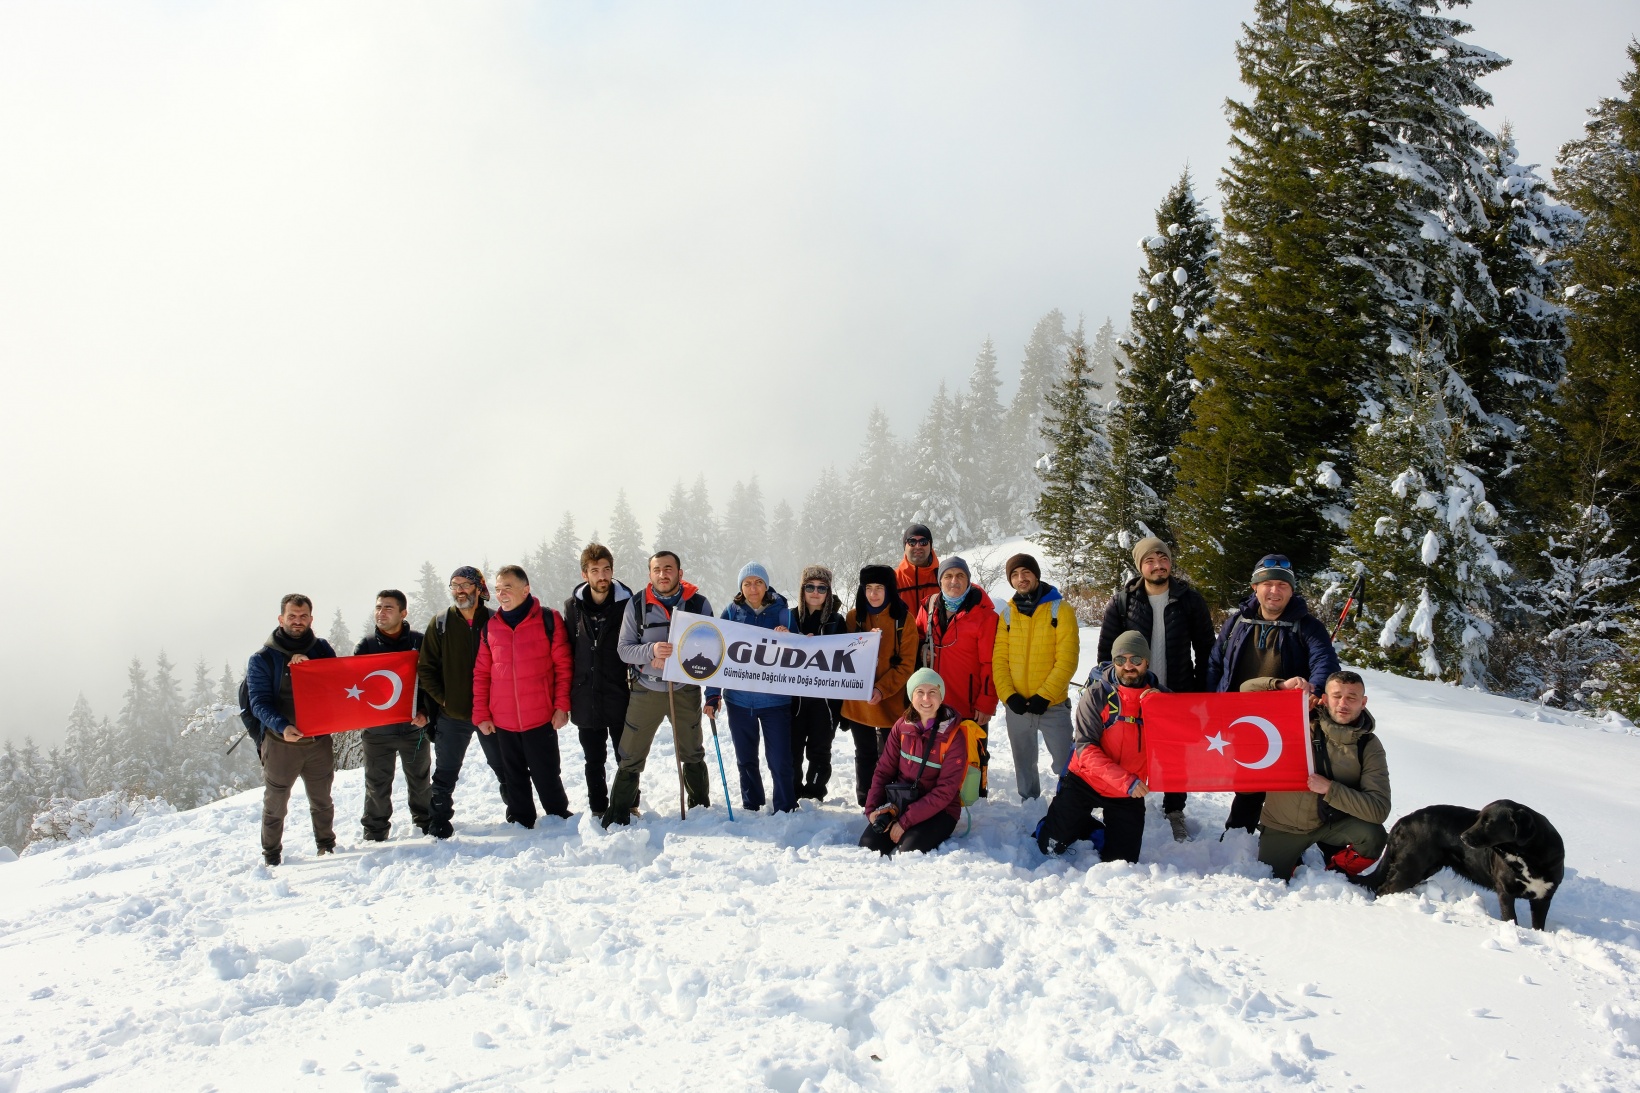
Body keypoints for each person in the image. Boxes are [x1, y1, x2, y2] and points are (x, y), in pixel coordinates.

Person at [1206, 554, 1342, 834]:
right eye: (1268, 584)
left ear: (1291, 590)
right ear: (1255, 587)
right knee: (1248, 778)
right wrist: (1208, 703)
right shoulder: (1236, 624)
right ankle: (1238, 833)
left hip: (1285, 719)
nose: (1275, 591)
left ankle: (1280, 836)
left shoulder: (1308, 626)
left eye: (1282, 585)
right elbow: (1215, 665)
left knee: (1282, 781)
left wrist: (1313, 689)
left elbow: (1325, 662)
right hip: (1240, 714)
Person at [1096, 536, 1215, 840]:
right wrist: (1109, 692)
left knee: (1177, 755)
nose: (1158, 564)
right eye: (1149, 560)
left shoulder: (1189, 600)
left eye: (1162, 558)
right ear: (1140, 566)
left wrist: (1203, 694)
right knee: (1126, 748)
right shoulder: (1122, 601)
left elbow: (1206, 651)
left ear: (1170, 562)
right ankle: (1119, 800)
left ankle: (1174, 809)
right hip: (1132, 693)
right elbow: (1105, 655)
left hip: (1177, 692)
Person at [1035, 631, 1164, 863]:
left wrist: (1165, 709)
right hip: (1086, 781)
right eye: (1120, 660)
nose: (1128, 666)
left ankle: (1086, 825)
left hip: (1126, 793)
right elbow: (1085, 748)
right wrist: (1127, 781)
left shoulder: (1161, 698)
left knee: (1123, 862)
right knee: (1050, 847)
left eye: (1136, 660)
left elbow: (1183, 739)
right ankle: (1065, 821)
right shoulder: (1097, 695)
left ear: (1147, 661)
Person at [1246, 670, 1390, 880]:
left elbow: (1379, 809)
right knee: (1274, 878)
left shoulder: (1368, 745)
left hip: (1331, 825)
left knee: (1374, 837)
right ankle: (1292, 856)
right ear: (1324, 698)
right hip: (1283, 825)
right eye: (1337, 696)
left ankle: (1337, 872)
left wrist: (1331, 789)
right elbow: (1244, 693)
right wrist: (1282, 686)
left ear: (1363, 702)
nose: (1343, 704)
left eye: (1352, 697)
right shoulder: (1299, 720)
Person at [606, 551, 714, 826]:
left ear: (680, 572)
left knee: (692, 750)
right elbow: (623, 649)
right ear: (650, 574)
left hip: (684, 690)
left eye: (668, 568)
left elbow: (713, 647)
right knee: (631, 752)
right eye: (657, 569)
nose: (663, 574)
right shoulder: (637, 604)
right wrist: (649, 651)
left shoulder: (698, 604)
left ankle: (700, 809)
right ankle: (618, 814)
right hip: (647, 690)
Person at [473, 565, 574, 827]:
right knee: (512, 775)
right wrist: (481, 714)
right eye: (497, 589)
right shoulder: (490, 628)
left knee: (547, 774)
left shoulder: (548, 620)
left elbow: (564, 667)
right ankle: (521, 821)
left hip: (540, 716)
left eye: (508, 587)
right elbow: (482, 674)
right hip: (503, 720)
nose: (501, 593)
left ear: (525, 589)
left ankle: (558, 817)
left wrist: (562, 705)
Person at [245, 594, 339, 866]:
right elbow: (258, 703)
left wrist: (310, 666)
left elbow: (336, 685)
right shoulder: (263, 658)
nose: (297, 621)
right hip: (280, 743)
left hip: (318, 740)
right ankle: (271, 855)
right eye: (292, 616)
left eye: (303, 616)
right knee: (275, 804)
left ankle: (326, 846)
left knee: (322, 799)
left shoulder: (321, 649)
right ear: (281, 618)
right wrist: (282, 726)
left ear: (311, 618)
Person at [418, 566, 510, 838]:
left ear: (479, 589)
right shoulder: (440, 623)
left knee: (504, 766)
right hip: (453, 714)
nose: (459, 590)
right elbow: (427, 668)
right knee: (445, 772)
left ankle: (517, 810)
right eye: (454, 585)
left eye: (465, 585)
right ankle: (439, 819)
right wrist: (444, 699)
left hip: (492, 714)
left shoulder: (496, 621)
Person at [704, 563, 797, 813]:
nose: (753, 588)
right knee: (745, 758)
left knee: (779, 760)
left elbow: (803, 655)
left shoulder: (784, 614)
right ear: (741, 587)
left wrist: (789, 637)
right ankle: (752, 803)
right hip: (739, 701)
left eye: (758, 582)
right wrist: (713, 694)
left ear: (766, 585)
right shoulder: (732, 613)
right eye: (747, 583)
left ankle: (785, 807)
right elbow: (718, 654)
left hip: (775, 701)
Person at [992, 552, 1080, 801]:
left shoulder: (1060, 609)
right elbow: (999, 660)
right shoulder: (1007, 615)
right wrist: (1009, 696)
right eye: (1015, 575)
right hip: (1018, 705)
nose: (1021, 578)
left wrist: (1045, 695)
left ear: (1036, 575)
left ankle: (1070, 801)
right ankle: (1029, 801)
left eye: (1026, 573)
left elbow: (1068, 659)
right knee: (1023, 761)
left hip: (1052, 705)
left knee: (1066, 761)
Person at [860, 668, 972, 856]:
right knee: (869, 845)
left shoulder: (954, 736)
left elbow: (945, 791)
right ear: (911, 696)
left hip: (941, 810)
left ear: (941, 696)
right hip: (901, 802)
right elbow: (884, 771)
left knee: (909, 848)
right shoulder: (901, 727)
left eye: (932, 692)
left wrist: (905, 822)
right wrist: (872, 810)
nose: (926, 699)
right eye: (920, 692)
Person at [354, 589, 433, 842]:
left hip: (413, 729)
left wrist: (426, 713)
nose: (381, 612)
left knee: (420, 782)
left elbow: (432, 682)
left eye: (388, 608)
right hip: (377, 733)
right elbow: (352, 685)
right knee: (376, 785)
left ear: (403, 613)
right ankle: (375, 832)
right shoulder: (366, 646)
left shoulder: (419, 642)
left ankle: (426, 824)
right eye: (378, 607)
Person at [563, 543, 635, 816]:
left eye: (606, 569)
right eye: (595, 570)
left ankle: (628, 803)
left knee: (624, 756)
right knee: (593, 759)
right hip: (585, 695)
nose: (601, 576)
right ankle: (597, 807)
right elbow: (568, 649)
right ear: (585, 575)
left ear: (612, 571)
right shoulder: (572, 607)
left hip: (620, 691)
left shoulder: (627, 604)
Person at [841, 565, 920, 807]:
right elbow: (843, 655)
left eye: (879, 588)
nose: (873, 594)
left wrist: (881, 689)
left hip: (890, 702)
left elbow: (906, 665)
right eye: (868, 588)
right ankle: (866, 799)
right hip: (857, 703)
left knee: (890, 756)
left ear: (890, 589)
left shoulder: (903, 620)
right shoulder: (854, 618)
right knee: (864, 753)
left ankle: (888, 798)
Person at [918, 556, 999, 725]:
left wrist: (986, 702)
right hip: (931, 703)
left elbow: (991, 663)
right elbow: (916, 638)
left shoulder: (984, 616)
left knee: (972, 751)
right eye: (948, 576)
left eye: (960, 575)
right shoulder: (928, 607)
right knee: (934, 751)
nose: (954, 580)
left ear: (968, 580)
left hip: (968, 706)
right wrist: (921, 650)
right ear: (940, 581)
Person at [789, 564, 846, 800]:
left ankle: (813, 793)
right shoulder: (790, 617)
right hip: (794, 699)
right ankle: (792, 791)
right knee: (792, 750)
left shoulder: (837, 622)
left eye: (822, 588)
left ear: (828, 592)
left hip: (825, 702)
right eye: (810, 587)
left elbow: (849, 659)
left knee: (820, 750)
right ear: (802, 590)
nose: (815, 592)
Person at [895, 523, 940, 622]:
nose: (918, 546)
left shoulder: (943, 577)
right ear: (905, 546)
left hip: (936, 637)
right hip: (904, 637)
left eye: (923, 542)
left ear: (930, 545)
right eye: (912, 542)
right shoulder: (893, 579)